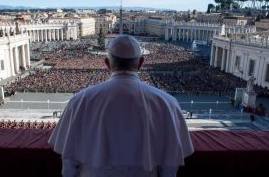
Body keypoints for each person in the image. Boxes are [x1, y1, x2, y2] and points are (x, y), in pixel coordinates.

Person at [49, 35, 194, 177]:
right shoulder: (167, 103)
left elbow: (69, 160)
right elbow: (170, 164)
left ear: (107, 63)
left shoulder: (80, 100)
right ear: (141, 63)